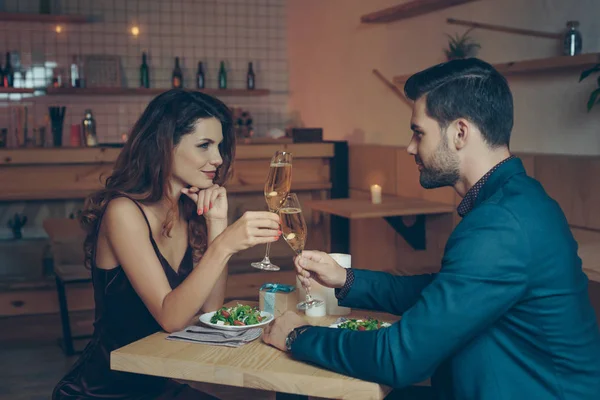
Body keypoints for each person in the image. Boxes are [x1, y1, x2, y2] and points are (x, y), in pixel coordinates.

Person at [263, 58, 600, 399]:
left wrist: (298, 336)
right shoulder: (518, 200)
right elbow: (443, 293)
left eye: (418, 132)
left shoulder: (500, 225)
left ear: (459, 133)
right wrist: (346, 280)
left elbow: (399, 358)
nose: (411, 146)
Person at [53, 89, 281, 399]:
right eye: (205, 146)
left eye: (220, 146)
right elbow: (171, 317)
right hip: (105, 391)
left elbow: (210, 309)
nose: (218, 159)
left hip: (157, 381)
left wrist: (217, 224)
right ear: (164, 147)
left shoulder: (184, 210)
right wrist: (225, 244)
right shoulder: (124, 212)